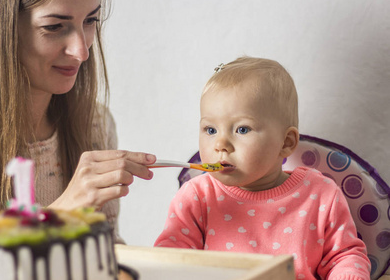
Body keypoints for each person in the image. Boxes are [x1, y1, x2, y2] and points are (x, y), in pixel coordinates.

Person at [0, 0, 156, 243]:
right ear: (0, 27)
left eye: (90, 21)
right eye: (54, 27)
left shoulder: (96, 125)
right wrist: (59, 215)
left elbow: (107, 257)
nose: (81, 51)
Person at [154, 56, 371, 279]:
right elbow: (171, 261)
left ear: (286, 143)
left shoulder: (321, 194)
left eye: (242, 129)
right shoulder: (197, 198)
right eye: (210, 130)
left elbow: (344, 256)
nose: (220, 144)